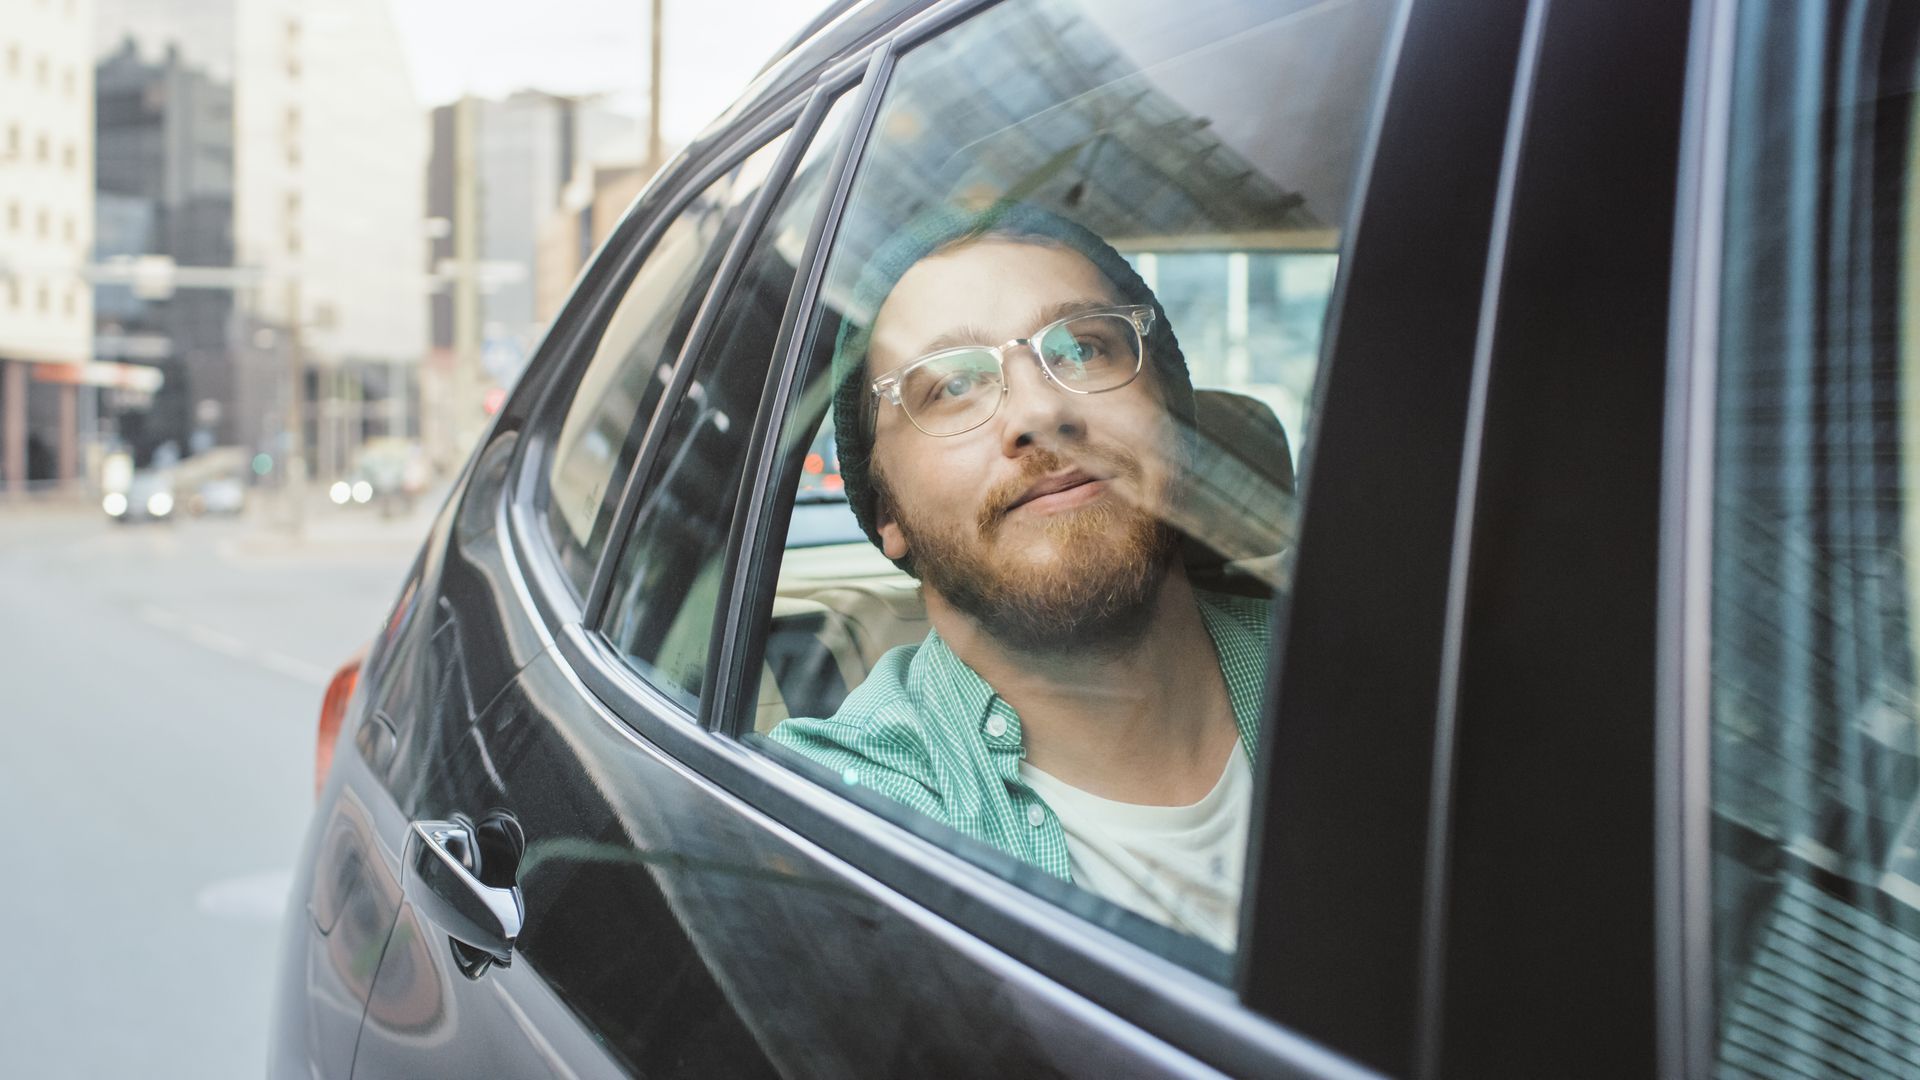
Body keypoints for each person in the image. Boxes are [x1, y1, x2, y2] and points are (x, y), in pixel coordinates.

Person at [771, 204, 1269, 950]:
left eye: (1084, 347)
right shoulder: (840, 813)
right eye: (949, 386)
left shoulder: (1389, 674)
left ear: (1173, 419)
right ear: (887, 513)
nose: (1039, 411)